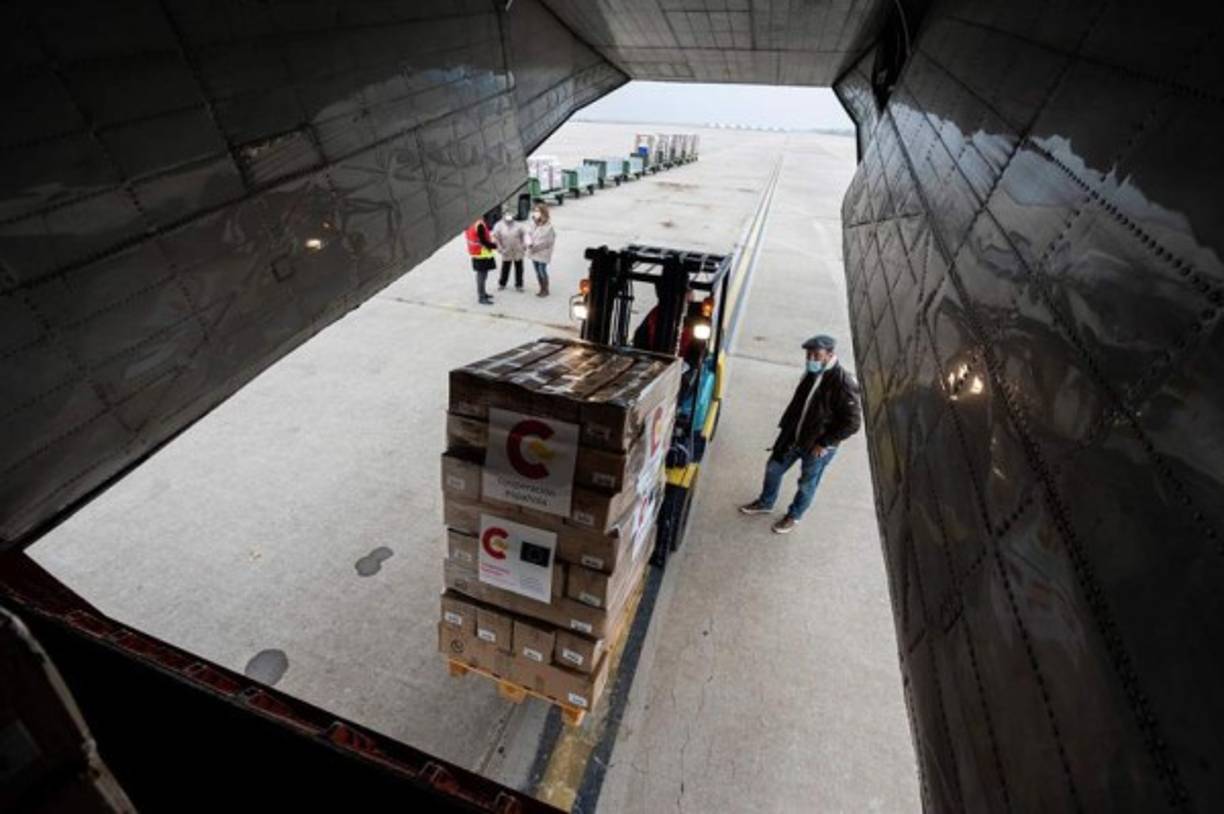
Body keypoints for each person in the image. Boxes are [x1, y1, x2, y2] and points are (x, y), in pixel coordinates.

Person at [739, 334, 862, 534]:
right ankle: (766, 502)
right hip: (794, 437)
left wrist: (824, 442)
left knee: (807, 483)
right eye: (808, 355)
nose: (811, 359)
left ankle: (794, 516)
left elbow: (852, 423)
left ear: (830, 354)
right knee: (773, 469)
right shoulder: (812, 374)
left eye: (816, 355)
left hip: (817, 447)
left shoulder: (843, 383)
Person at [465, 213, 498, 305]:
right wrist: (495, 246)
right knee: (482, 276)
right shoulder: (479, 225)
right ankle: (481, 297)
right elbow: (484, 241)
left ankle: (483, 293)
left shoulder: (471, 222)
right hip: (481, 254)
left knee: (482, 275)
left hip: (476, 252)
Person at [525, 203, 555, 297]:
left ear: (543, 212)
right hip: (533, 251)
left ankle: (545, 290)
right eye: (535, 210)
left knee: (542, 270)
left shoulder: (548, 227)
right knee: (537, 271)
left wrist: (534, 247)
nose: (536, 213)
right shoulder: (534, 223)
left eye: (538, 211)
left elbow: (548, 242)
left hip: (542, 253)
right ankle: (541, 288)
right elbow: (527, 234)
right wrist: (529, 243)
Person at [492, 211, 527, 291]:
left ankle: (519, 285)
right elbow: (495, 237)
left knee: (519, 268)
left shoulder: (519, 225)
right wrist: (499, 248)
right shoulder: (499, 225)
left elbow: (525, 235)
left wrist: (524, 245)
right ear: (503, 216)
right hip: (506, 250)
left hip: (518, 250)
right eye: (506, 215)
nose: (509, 218)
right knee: (505, 268)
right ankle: (502, 284)